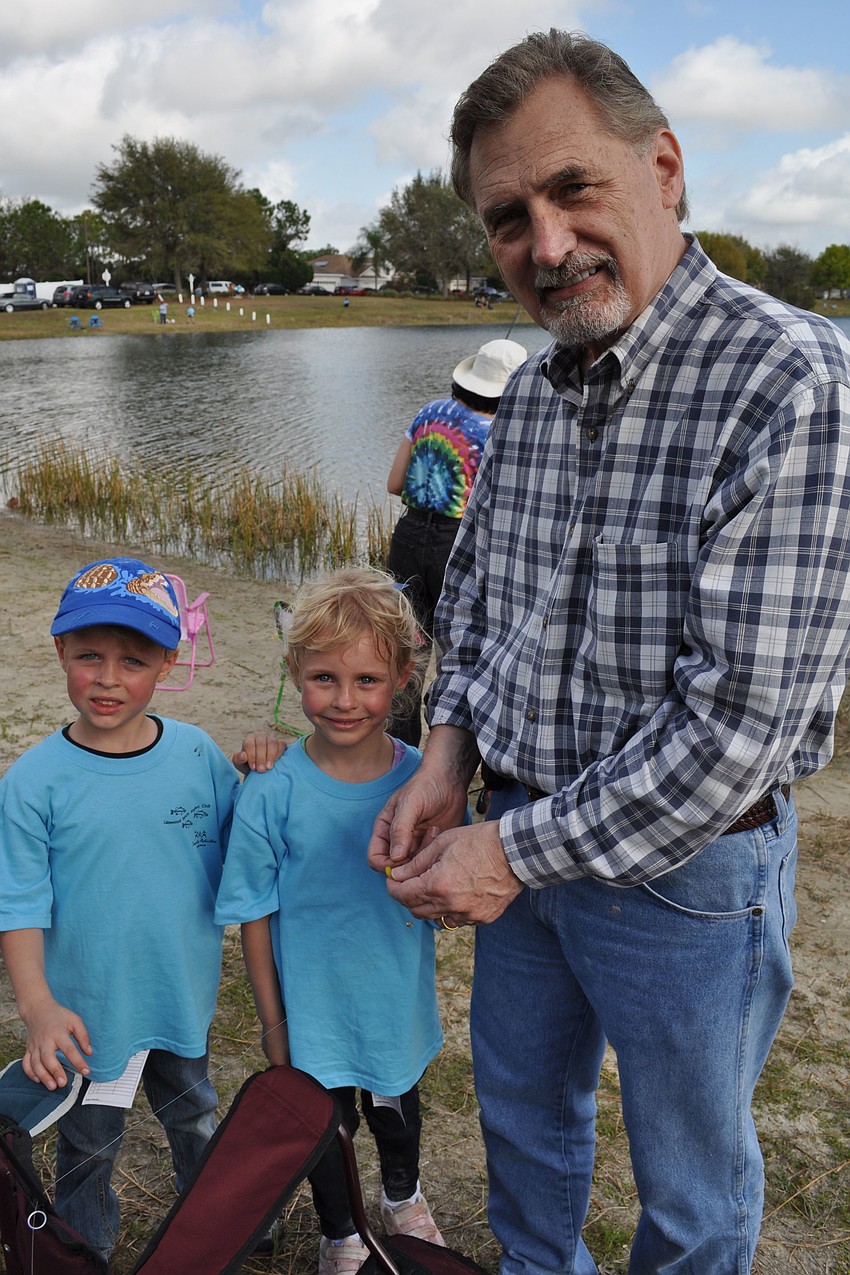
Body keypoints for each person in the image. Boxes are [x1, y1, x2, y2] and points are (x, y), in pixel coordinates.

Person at [367, 29, 850, 1275]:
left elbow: (734, 727)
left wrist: (501, 851)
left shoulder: (791, 379)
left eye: (572, 188)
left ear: (666, 168)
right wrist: (441, 756)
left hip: (687, 879)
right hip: (511, 829)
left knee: (690, 1186)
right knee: (526, 1132)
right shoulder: (528, 392)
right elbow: (474, 606)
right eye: (506, 216)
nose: (544, 245)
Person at [0, 556, 238, 1260]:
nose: (108, 678)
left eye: (132, 659)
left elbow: (250, 850)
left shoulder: (198, 756)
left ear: (168, 660)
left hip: (179, 997)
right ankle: (83, 1247)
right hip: (88, 1016)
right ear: (59, 651)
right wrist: (38, 1006)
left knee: (193, 1113)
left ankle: (219, 1211)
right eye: (89, 656)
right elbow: (17, 904)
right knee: (89, 1143)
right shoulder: (34, 781)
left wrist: (270, 769)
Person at [215, 567, 446, 1275]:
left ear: (403, 676)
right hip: (308, 1012)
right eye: (323, 679)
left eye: (368, 680)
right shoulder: (270, 789)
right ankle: (339, 1229)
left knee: (396, 1110)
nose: (345, 701)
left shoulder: (423, 782)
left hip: (392, 1001)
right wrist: (274, 1020)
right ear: (294, 671)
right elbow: (254, 912)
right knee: (326, 1125)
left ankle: (402, 1195)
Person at [386, 338, 527, 744]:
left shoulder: (428, 413)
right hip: (457, 546)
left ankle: (400, 748)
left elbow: (395, 483)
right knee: (462, 651)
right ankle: (454, 749)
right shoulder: (499, 434)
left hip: (408, 536)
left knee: (408, 646)